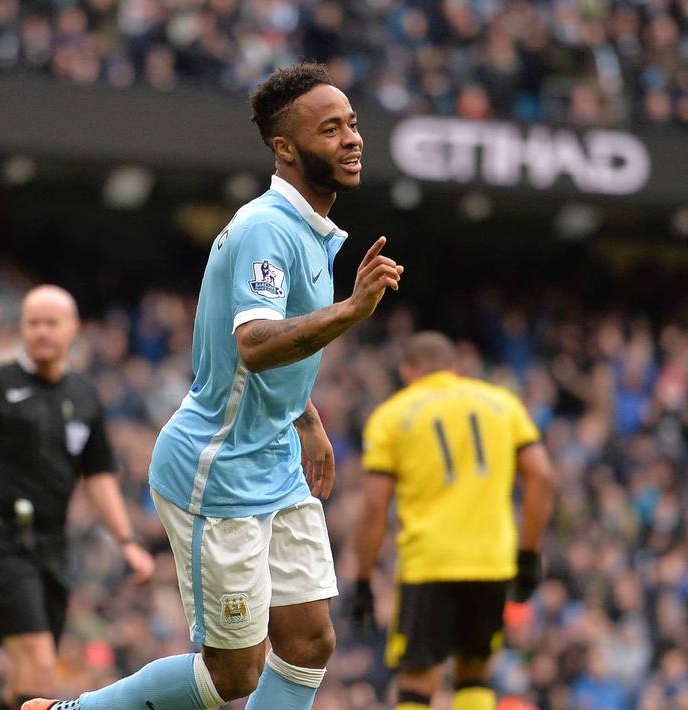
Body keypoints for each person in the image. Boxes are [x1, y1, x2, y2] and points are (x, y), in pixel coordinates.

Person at [27, 61, 404, 710]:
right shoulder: (267, 227)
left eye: (352, 124)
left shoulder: (308, 228)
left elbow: (268, 357)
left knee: (310, 643)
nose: (351, 139)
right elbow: (254, 346)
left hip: (274, 459)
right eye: (330, 129)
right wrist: (350, 310)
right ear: (284, 149)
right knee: (235, 675)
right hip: (217, 466)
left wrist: (305, 421)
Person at [0, 284, 156, 710]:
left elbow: (97, 476)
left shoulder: (83, 395)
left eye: (51, 323)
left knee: (28, 679)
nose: (42, 332)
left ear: (73, 328)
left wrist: (127, 541)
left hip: (51, 545)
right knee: (40, 664)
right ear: (21, 328)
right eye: (33, 323)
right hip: (0, 538)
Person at [351, 331, 554, 710]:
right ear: (455, 367)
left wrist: (362, 579)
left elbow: (374, 507)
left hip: (430, 563)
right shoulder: (502, 403)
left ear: (407, 370)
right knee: (475, 672)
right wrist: (528, 553)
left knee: (416, 681)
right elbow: (541, 476)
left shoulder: (391, 416)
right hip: (492, 561)